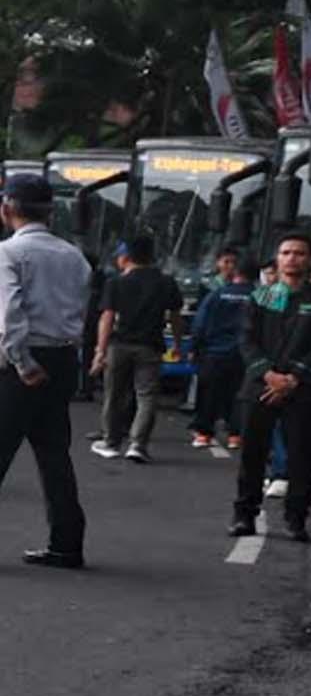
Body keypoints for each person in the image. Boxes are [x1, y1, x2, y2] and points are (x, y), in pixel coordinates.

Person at [0, 175, 93, 568]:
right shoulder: (74, 256)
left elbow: (9, 315)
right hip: (63, 358)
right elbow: (82, 309)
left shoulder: (8, 253)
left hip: (24, 362)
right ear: (51, 212)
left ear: (7, 208)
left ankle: (65, 544)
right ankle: (66, 544)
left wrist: (22, 363)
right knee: (54, 454)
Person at [229, 232, 311, 543]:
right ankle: (244, 515)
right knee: (252, 455)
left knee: (302, 457)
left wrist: (293, 378)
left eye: (299, 253)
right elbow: (247, 339)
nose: (292, 258)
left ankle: (296, 519)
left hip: (300, 389)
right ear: (276, 259)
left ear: (310, 260)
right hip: (260, 386)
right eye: (286, 252)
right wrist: (268, 374)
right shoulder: (260, 296)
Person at [89, 234, 183, 464]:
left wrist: (100, 351)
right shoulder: (166, 282)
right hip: (151, 346)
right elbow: (175, 316)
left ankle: (111, 442)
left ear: (126, 257)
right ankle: (138, 445)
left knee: (114, 394)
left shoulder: (116, 283)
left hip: (118, 345)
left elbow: (107, 318)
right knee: (147, 396)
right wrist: (177, 343)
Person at [188, 249, 252, 449]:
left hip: (214, 353)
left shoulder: (216, 295)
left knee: (209, 394)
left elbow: (200, 324)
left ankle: (203, 434)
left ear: (236, 272)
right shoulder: (260, 296)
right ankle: (235, 436)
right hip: (245, 355)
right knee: (238, 395)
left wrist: (194, 347)